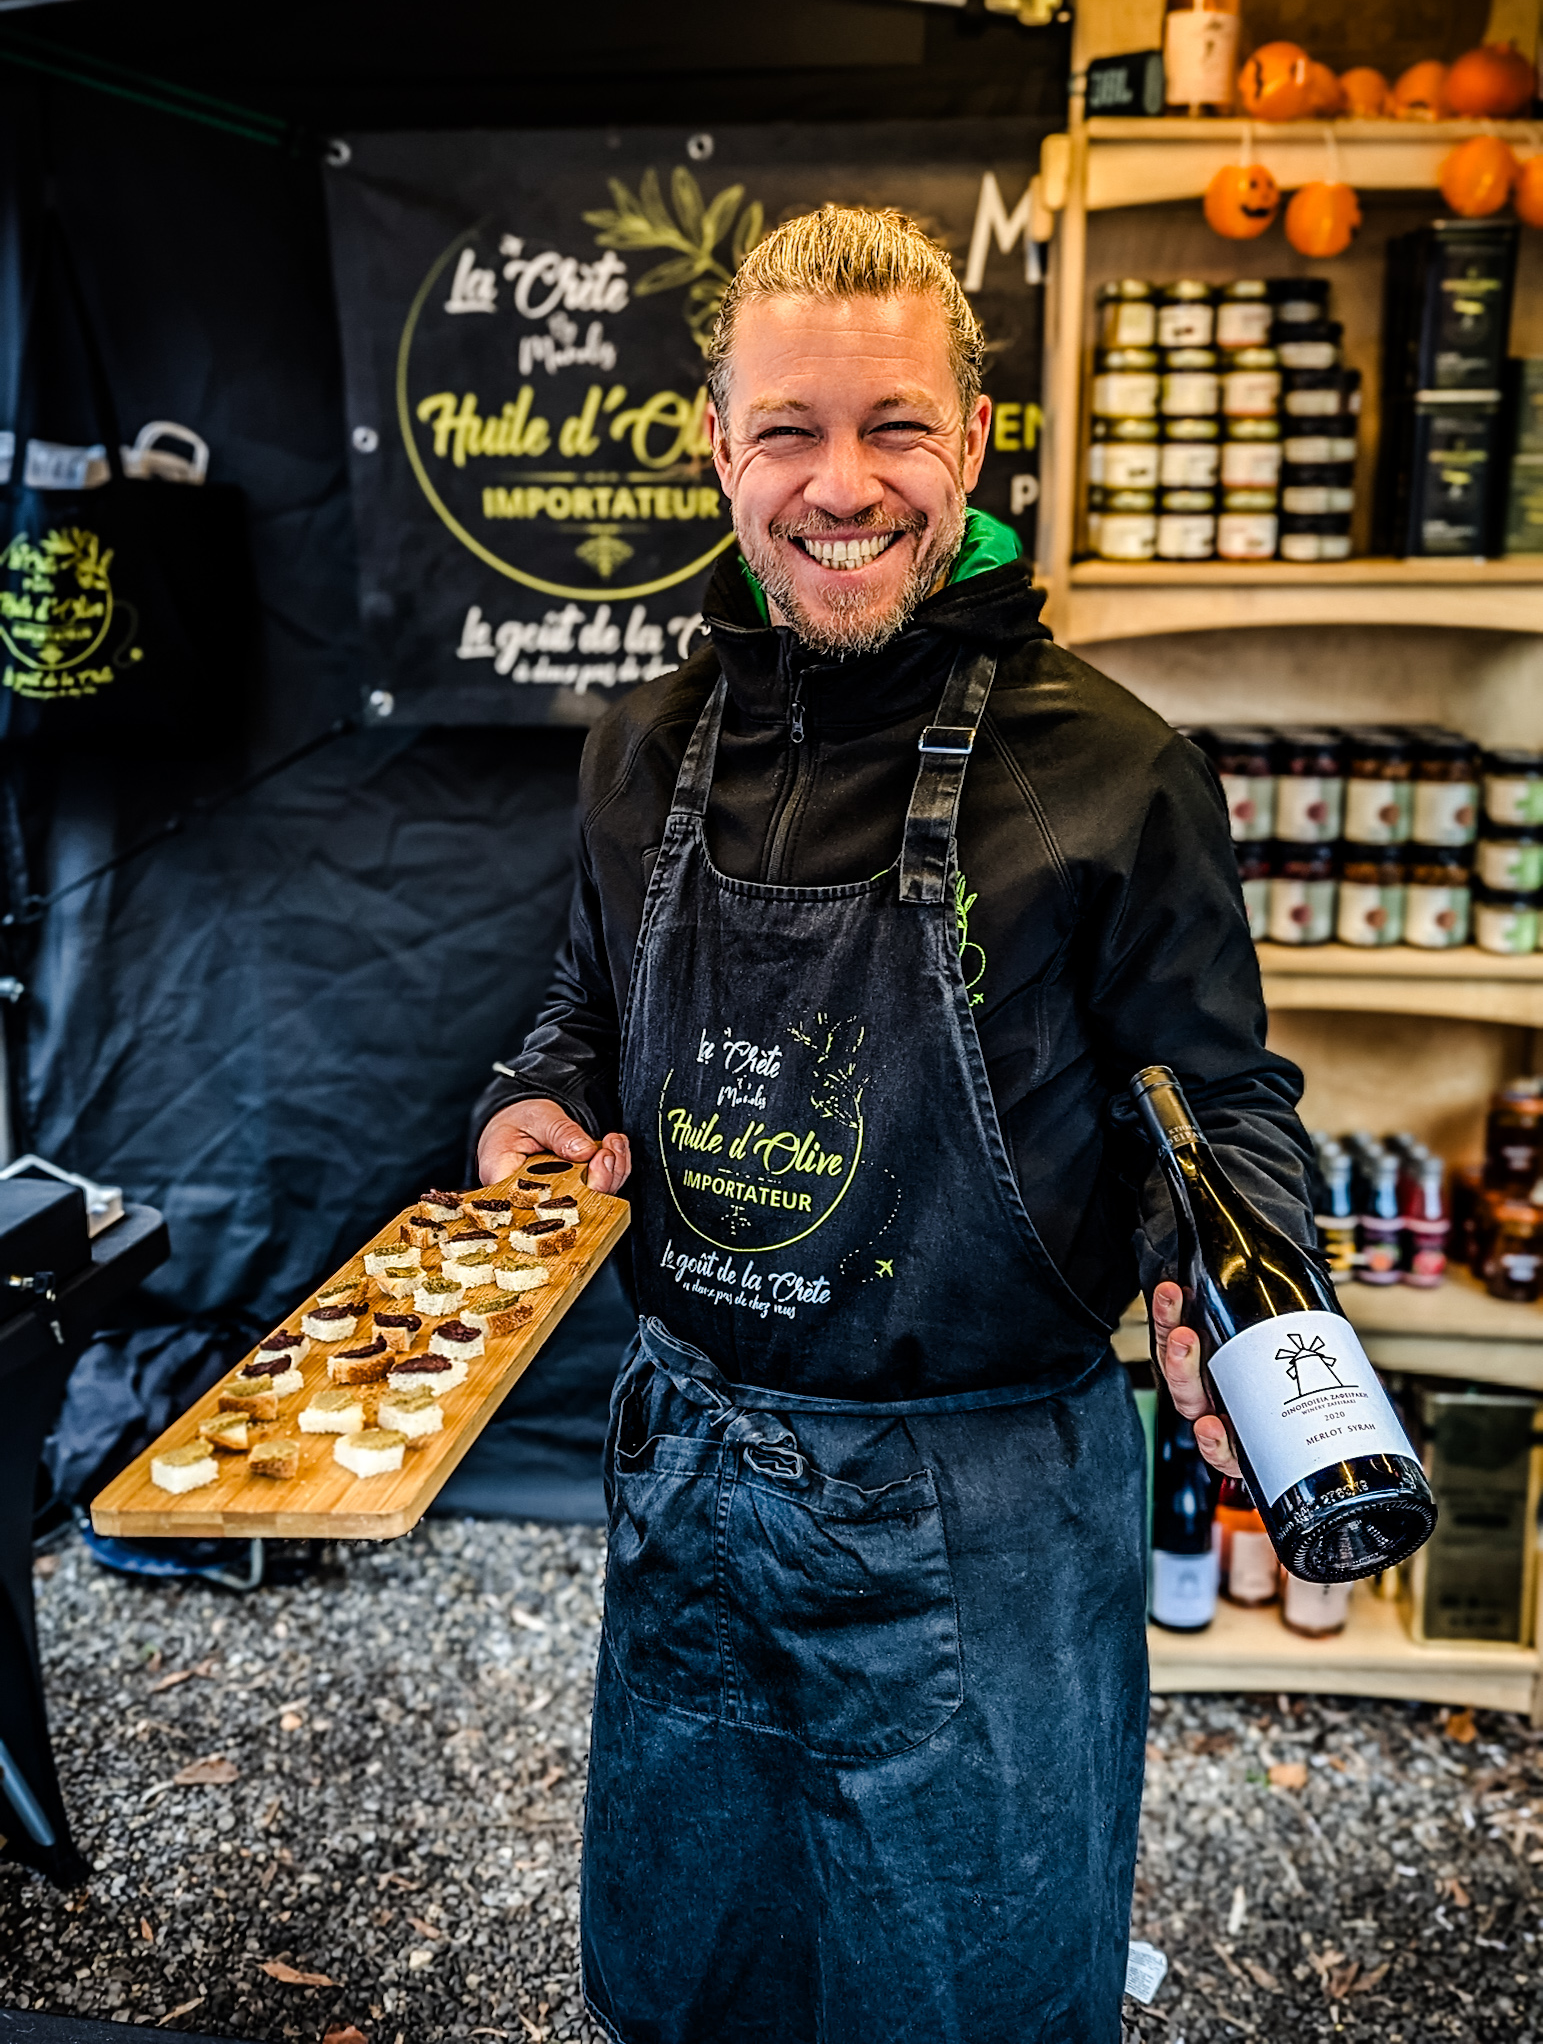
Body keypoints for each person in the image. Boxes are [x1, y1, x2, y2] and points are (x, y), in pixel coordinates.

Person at [472, 205, 1313, 2044]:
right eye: (789, 429)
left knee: (968, 2008)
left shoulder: (1113, 768)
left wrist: (1222, 1277)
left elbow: (1223, 1105)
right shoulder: (640, 745)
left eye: (895, 428)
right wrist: (539, 1104)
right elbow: (586, 1009)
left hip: (983, 1499)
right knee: (693, 1989)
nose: (841, 485)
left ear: (978, 446)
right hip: (689, 1475)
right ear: (718, 445)